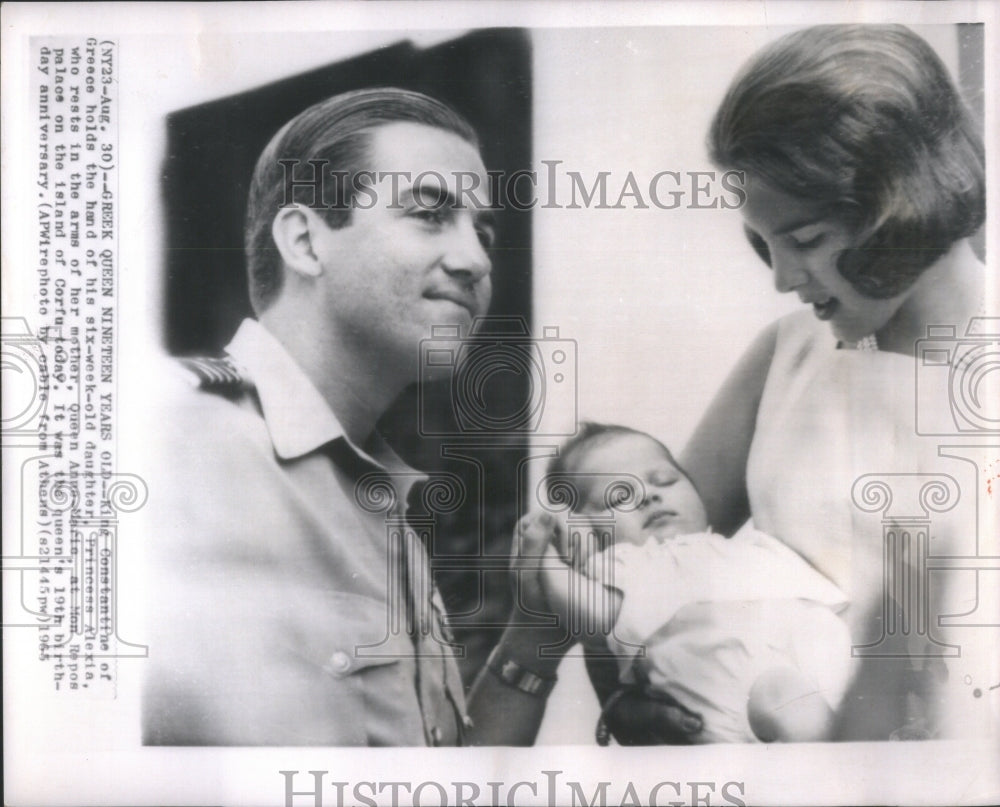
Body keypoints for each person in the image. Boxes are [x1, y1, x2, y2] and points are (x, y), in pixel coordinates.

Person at [589, 24, 989, 743]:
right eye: (763, 242)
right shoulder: (789, 352)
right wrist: (629, 702)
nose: (780, 278)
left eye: (806, 240)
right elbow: (635, 569)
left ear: (904, 202)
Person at [142, 88, 568, 746]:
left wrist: (537, 638)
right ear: (306, 241)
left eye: (482, 232)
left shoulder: (382, 504)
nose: (477, 261)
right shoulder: (176, 441)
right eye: (430, 214)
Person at [532, 422, 853, 743]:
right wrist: (545, 560)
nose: (648, 496)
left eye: (665, 480)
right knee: (790, 703)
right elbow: (591, 616)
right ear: (585, 528)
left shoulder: (739, 549)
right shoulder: (627, 566)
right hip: (739, 686)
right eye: (619, 497)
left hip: (810, 672)